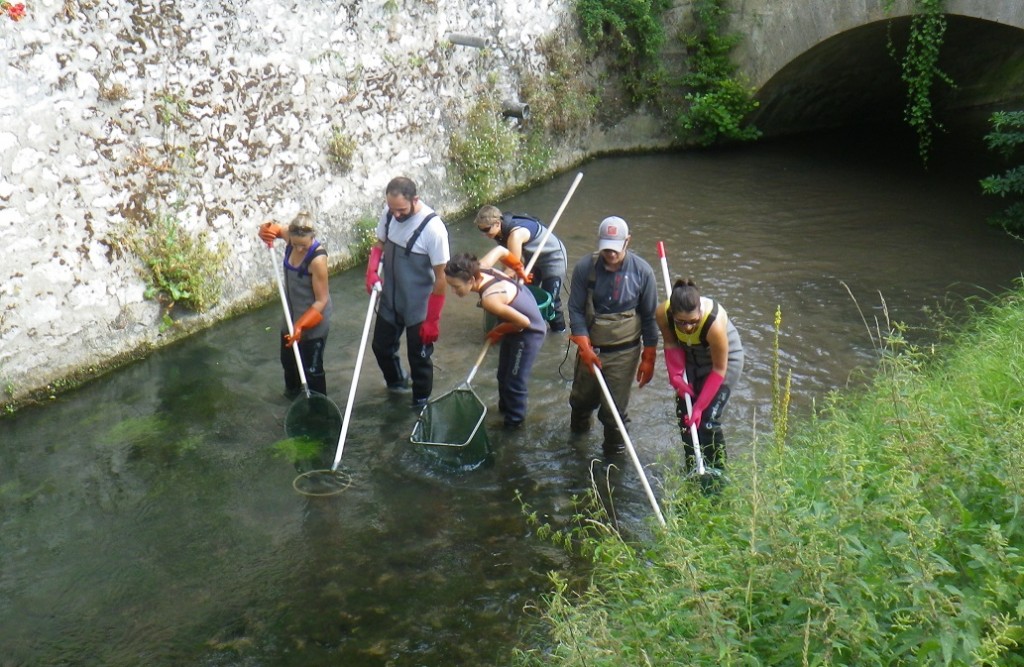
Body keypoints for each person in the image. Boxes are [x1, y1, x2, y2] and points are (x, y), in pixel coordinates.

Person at [567, 216, 659, 456]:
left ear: (627, 241)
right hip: (592, 349)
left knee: (613, 414)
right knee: (580, 403)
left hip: (624, 353)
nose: (611, 254)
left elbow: (650, 317)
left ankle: (614, 460)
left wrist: (649, 355)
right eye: (606, 249)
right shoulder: (585, 268)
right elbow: (576, 309)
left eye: (616, 249)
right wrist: (584, 345)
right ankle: (576, 450)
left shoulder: (642, 272)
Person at [365, 176, 451, 409]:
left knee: (419, 360)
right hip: (391, 299)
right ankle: (397, 386)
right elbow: (380, 244)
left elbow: (441, 277)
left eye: (401, 210)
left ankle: (420, 404)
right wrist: (372, 271)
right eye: (392, 210)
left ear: (415, 200)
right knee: (381, 348)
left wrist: (432, 320)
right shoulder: (390, 212)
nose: (396, 215)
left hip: (418, 307)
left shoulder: (434, 230)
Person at [444, 250, 546, 428]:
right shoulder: (481, 267)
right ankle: (504, 411)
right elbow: (501, 251)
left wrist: (498, 331)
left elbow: (523, 322)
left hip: (529, 332)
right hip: (513, 326)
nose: (453, 291)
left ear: (472, 280)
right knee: (502, 375)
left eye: (456, 287)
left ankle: (514, 425)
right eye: (450, 286)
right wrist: (517, 267)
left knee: (515, 382)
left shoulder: (490, 299)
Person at [656, 277, 744, 472]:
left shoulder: (714, 325)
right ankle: (694, 469)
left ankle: (717, 474)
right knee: (686, 420)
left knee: (707, 422)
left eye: (693, 322)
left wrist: (700, 406)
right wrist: (675, 375)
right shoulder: (663, 313)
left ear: (700, 313)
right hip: (689, 358)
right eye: (681, 322)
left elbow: (719, 369)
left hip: (722, 364)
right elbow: (670, 344)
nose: (687, 327)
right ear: (673, 314)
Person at [258, 211, 333, 397]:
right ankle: (292, 399)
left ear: (312, 238)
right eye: (295, 244)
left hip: (314, 318)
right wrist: (265, 231)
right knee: (289, 364)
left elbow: (321, 300)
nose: (299, 249)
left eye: (304, 246)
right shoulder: (290, 238)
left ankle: (318, 407)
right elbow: (273, 229)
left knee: (312, 370)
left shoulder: (317, 260)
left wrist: (301, 326)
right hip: (290, 315)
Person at [474, 205, 569, 332]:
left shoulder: (515, 235)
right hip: (533, 258)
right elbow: (508, 263)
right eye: (481, 230)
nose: (484, 234)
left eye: (486, 229)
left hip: (553, 258)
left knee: (550, 300)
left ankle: (558, 334)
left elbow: (512, 268)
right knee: (525, 294)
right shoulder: (499, 233)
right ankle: (523, 326)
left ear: (497, 223)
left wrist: (493, 289)